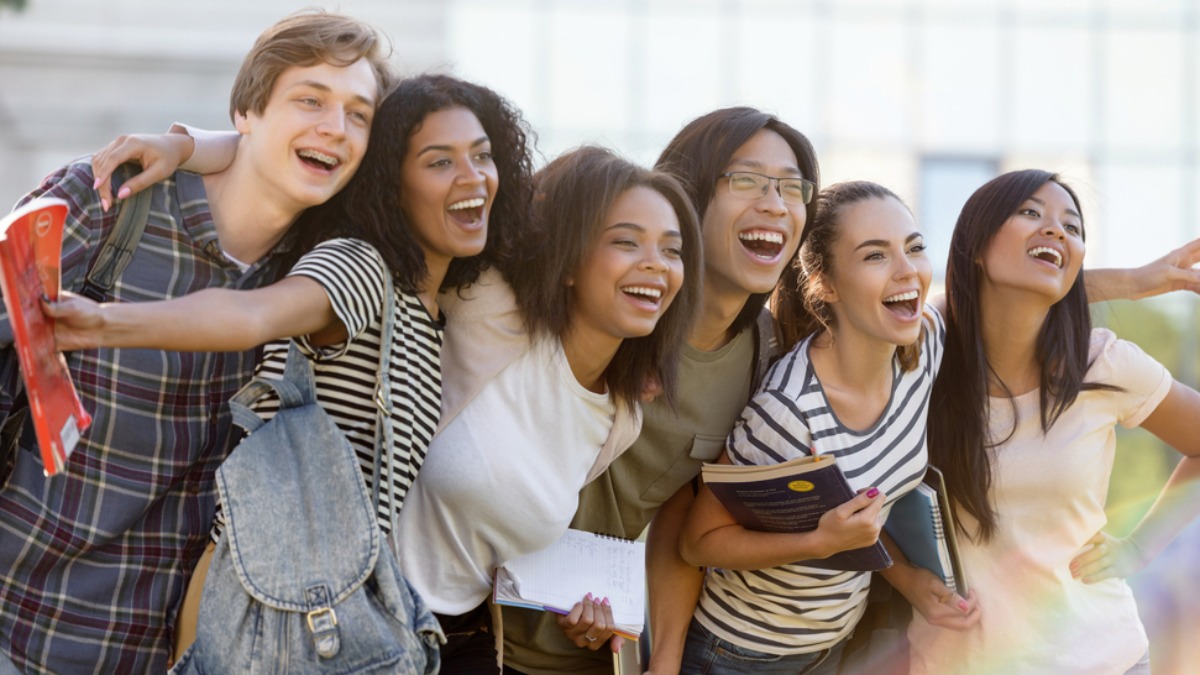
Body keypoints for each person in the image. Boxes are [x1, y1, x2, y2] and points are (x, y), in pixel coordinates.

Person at [0, 11, 391, 673]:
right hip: (19, 618)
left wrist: (187, 142)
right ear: (247, 111)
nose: (336, 127)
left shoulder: (315, 275)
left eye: (359, 114)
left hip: (158, 653)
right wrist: (183, 145)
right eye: (310, 100)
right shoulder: (115, 198)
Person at [497, 107, 819, 675]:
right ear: (688, 195)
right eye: (746, 179)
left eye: (793, 187)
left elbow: (681, 505)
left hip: (593, 646)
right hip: (475, 628)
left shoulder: (758, 354)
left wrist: (665, 658)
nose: (775, 203)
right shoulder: (613, 303)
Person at [391, 145, 702, 672]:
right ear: (569, 261)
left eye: (671, 250)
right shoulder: (488, 309)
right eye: (626, 241)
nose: (655, 263)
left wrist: (583, 607)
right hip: (366, 610)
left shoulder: (620, 419)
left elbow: (503, 529)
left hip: (462, 639)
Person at [906, 169, 1200, 674]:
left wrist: (1139, 547)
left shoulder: (1103, 363)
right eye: (1029, 213)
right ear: (976, 244)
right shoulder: (923, 353)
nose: (1056, 230)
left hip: (1102, 659)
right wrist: (1130, 282)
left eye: (1072, 226)